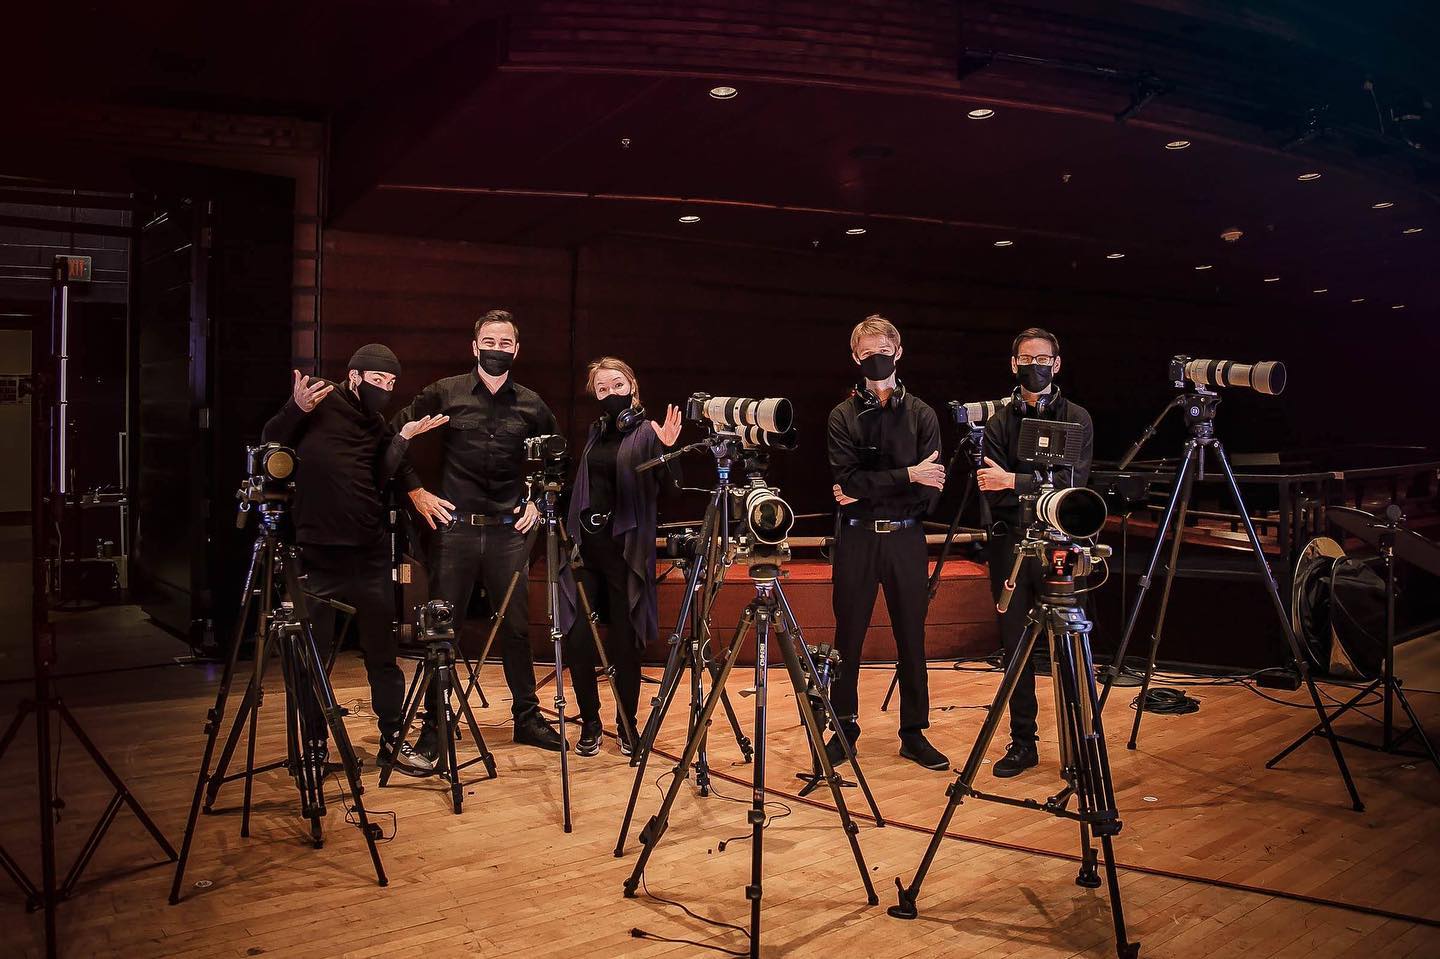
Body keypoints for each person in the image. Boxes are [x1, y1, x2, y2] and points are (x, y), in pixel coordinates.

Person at [261, 343, 448, 777]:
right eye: (378, 381)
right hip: (318, 553)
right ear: (356, 376)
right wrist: (294, 407)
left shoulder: (376, 421)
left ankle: (392, 739)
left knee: (383, 654)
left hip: (368, 552)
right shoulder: (321, 400)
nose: (384, 389)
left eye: (391, 383)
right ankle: (313, 748)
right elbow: (271, 442)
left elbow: (388, 471)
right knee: (312, 656)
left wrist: (404, 439)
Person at [392, 310, 566, 752]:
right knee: (442, 628)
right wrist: (416, 493)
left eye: (505, 343)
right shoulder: (444, 393)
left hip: (510, 533)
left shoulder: (531, 403)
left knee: (517, 629)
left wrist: (539, 502)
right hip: (455, 531)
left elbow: (558, 463)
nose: (497, 349)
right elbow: (395, 436)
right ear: (475, 346)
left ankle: (526, 719)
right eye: (489, 341)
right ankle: (436, 725)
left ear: (516, 350)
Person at [827, 315, 950, 771]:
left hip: (905, 539)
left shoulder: (922, 414)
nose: (875, 357)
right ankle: (843, 728)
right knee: (848, 637)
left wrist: (873, 486)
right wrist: (907, 474)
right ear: (855, 358)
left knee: (911, 638)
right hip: (857, 541)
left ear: (898, 352)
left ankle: (914, 733)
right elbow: (844, 480)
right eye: (866, 352)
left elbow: (931, 493)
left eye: (882, 349)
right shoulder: (842, 415)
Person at [976, 326, 1094, 778]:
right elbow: (991, 489)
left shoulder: (1078, 417)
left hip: (1061, 543)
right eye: (1027, 359)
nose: (1035, 366)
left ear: (1057, 364)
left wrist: (1016, 481)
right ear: (1014, 363)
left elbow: (1073, 486)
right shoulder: (999, 421)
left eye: (1043, 359)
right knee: (1017, 647)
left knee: (1067, 644)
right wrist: (1020, 486)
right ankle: (1023, 742)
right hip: (1011, 544)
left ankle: (1079, 746)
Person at [556, 358, 682, 757]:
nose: (611, 393)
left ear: (632, 384)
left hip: (624, 554)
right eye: (602, 388)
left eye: (617, 384)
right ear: (595, 394)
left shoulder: (648, 432)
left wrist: (667, 450)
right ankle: (590, 722)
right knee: (577, 639)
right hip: (587, 551)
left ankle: (628, 723)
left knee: (624, 645)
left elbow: (672, 491)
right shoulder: (595, 432)